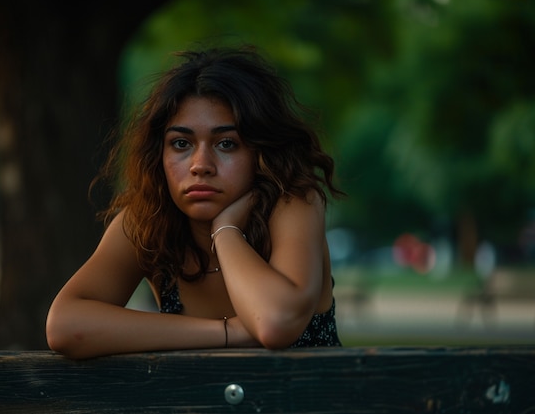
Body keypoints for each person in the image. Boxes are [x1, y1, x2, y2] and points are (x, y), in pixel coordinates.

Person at [46, 45, 344, 359]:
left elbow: (274, 323)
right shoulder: (150, 221)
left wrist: (226, 231)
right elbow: (65, 326)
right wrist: (227, 333)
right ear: (158, 155)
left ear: (261, 152)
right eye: (181, 143)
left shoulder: (295, 205)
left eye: (227, 143)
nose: (200, 164)